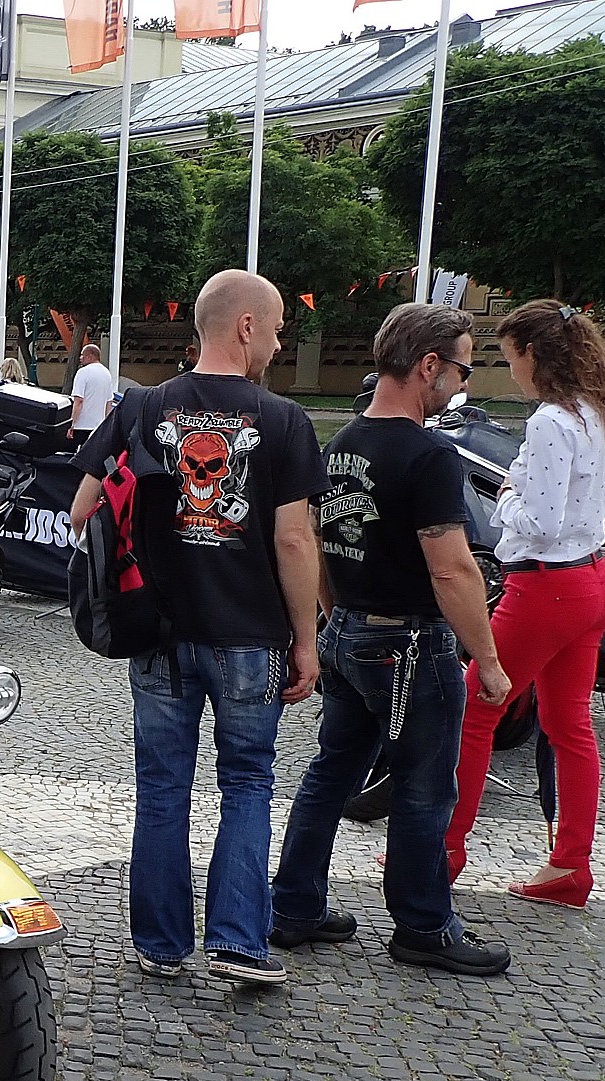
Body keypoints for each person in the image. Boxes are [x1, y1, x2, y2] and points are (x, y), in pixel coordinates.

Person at [68, 269, 326, 986]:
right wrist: (306, 642)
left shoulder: (140, 406)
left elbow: (82, 510)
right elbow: (294, 540)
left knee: (162, 788)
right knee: (246, 783)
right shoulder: (284, 421)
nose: (277, 344)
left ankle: (160, 944)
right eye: (276, 329)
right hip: (248, 635)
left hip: (158, 632)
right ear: (246, 326)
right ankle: (237, 943)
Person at [269, 303, 513, 977]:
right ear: (429, 366)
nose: (462, 384)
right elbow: (451, 568)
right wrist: (488, 659)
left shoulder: (343, 441)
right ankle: (423, 926)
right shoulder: (430, 454)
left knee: (330, 775)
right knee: (424, 788)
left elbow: (320, 540)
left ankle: (293, 907)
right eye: (462, 369)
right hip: (409, 645)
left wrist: (335, 618)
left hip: (349, 632)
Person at [446, 300, 605, 909]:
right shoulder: (602, 411)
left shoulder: (553, 420)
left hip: (546, 585)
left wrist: (505, 498)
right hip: (589, 582)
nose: (511, 371)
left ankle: (443, 849)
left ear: (533, 354)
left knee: (475, 711)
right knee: (569, 726)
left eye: (511, 358)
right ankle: (571, 863)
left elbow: (541, 522)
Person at [70, 343, 115, 442]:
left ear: (89, 356)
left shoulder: (83, 372)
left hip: (82, 426)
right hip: (99, 426)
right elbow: (109, 403)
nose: (80, 358)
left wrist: (72, 424)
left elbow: (78, 401)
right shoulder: (107, 373)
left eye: (82, 355)